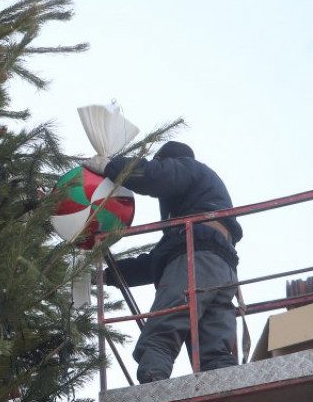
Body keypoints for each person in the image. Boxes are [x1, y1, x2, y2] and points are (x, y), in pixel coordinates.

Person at [83, 141, 242, 384]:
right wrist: (106, 275)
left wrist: (112, 167)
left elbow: (155, 176)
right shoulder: (193, 215)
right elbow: (156, 263)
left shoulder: (187, 168)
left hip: (196, 258)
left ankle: (153, 383)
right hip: (222, 268)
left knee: (163, 328)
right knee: (214, 346)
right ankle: (227, 386)